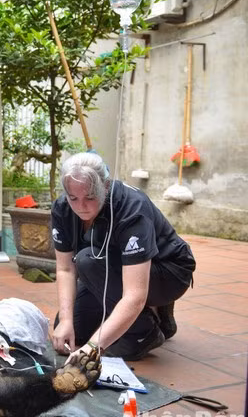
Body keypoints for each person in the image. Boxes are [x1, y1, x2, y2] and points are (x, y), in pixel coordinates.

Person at [51, 152, 196, 362]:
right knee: (71, 332)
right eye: (73, 198)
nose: (81, 206)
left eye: (90, 197)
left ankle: (145, 332)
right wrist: (66, 320)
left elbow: (134, 295)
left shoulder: (132, 208)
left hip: (166, 271)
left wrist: (93, 347)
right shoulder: (62, 209)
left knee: (87, 260)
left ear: (105, 186)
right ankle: (157, 316)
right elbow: (65, 269)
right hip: (110, 266)